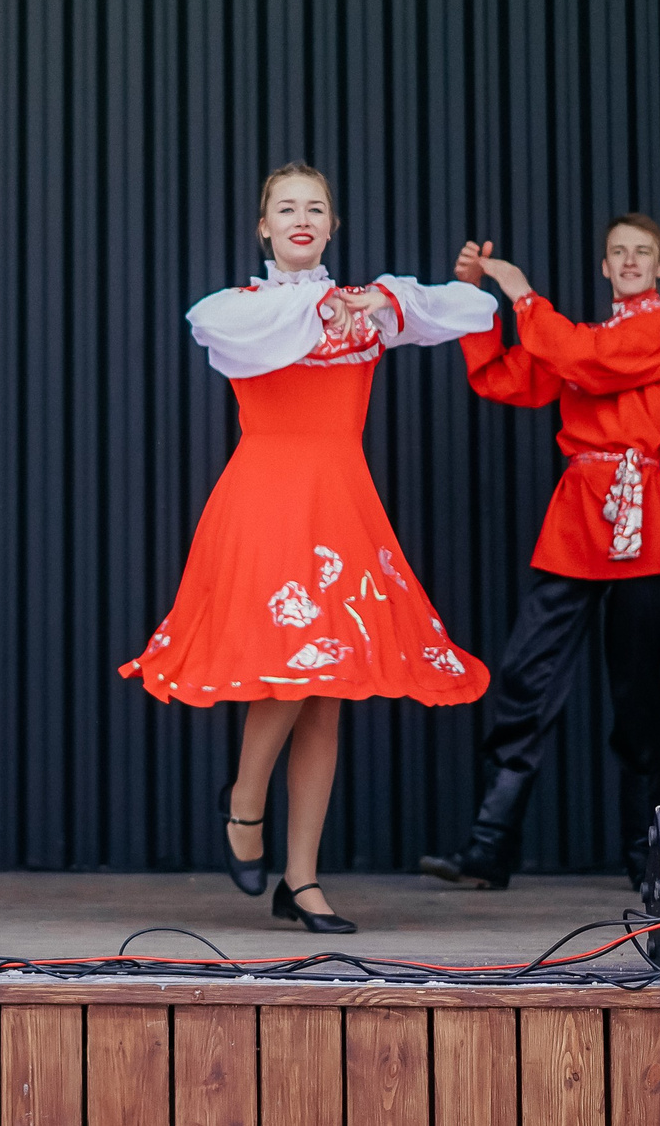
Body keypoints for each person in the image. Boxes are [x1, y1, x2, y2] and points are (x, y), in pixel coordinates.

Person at [121, 163, 497, 933]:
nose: (300, 218)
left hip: (341, 501)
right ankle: (245, 803)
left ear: (333, 225)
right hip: (266, 499)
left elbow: (473, 307)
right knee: (291, 670)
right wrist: (329, 307)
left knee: (328, 691)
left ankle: (301, 878)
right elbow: (207, 324)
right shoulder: (249, 309)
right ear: (263, 227)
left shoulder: (366, 306)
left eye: (315, 208)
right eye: (285, 208)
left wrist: (387, 297)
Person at [418, 216, 660, 892]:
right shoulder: (583, 339)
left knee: (636, 694)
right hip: (578, 510)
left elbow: (581, 359)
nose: (629, 261)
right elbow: (507, 377)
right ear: (604, 267)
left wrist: (520, 292)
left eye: (642, 253)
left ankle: (645, 855)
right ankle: (489, 847)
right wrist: (481, 301)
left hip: (638, 514)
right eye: (618, 251)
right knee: (526, 675)